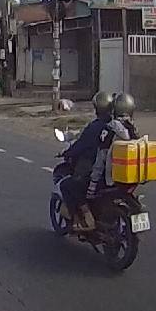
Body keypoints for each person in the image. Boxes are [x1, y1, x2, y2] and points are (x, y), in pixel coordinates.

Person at [60, 91, 114, 231]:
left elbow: (81, 145)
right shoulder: (117, 126)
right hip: (112, 174)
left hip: (97, 172)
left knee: (68, 185)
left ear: (97, 108)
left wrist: (67, 153)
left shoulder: (95, 127)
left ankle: (87, 218)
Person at [87, 93, 140, 204]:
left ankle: (90, 199)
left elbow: (101, 155)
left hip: (111, 174)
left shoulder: (111, 127)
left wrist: (92, 184)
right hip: (131, 174)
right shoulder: (132, 128)